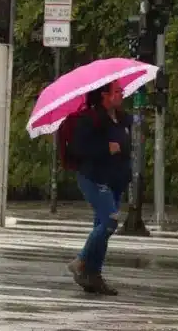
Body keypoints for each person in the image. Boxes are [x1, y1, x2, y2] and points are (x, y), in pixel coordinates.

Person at [67, 81, 130, 296]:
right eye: (117, 91)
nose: (122, 94)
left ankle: (93, 275)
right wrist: (106, 148)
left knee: (102, 228)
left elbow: (124, 148)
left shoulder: (122, 118)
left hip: (115, 180)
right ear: (105, 95)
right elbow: (79, 149)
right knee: (110, 221)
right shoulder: (90, 118)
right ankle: (82, 261)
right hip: (93, 178)